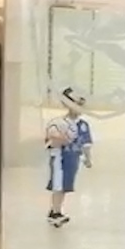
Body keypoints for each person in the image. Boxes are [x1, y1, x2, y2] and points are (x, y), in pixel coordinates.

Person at [43, 86, 93, 227]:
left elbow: (86, 144)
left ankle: (56, 209)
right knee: (58, 185)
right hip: (60, 158)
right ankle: (56, 213)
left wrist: (87, 158)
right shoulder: (59, 123)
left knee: (65, 186)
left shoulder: (83, 125)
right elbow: (50, 141)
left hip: (73, 159)